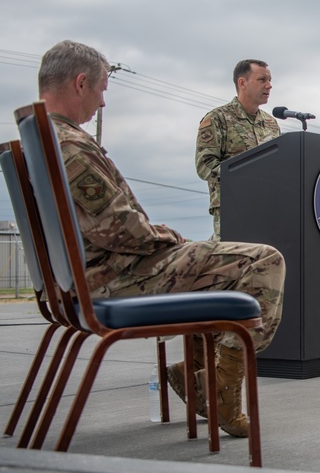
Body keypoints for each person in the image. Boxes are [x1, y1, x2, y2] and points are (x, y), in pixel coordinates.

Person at [37, 40, 284, 438]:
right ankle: (217, 389)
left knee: (224, 270)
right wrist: (169, 237)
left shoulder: (48, 137)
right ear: (81, 83)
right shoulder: (69, 145)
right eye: (102, 89)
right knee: (264, 262)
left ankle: (198, 377)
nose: (102, 103)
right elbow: (118, 228)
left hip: (104, 272)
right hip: (118, 278)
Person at [195, 60, 281, 240]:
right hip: (232, 208)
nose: (269, 85)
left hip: (268, 209)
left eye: (270, 80)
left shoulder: (271, 123)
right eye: (262, 79)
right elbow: (205, 165)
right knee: (234, 263)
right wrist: (243, 177)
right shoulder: (218, 119)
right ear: (242, 83)